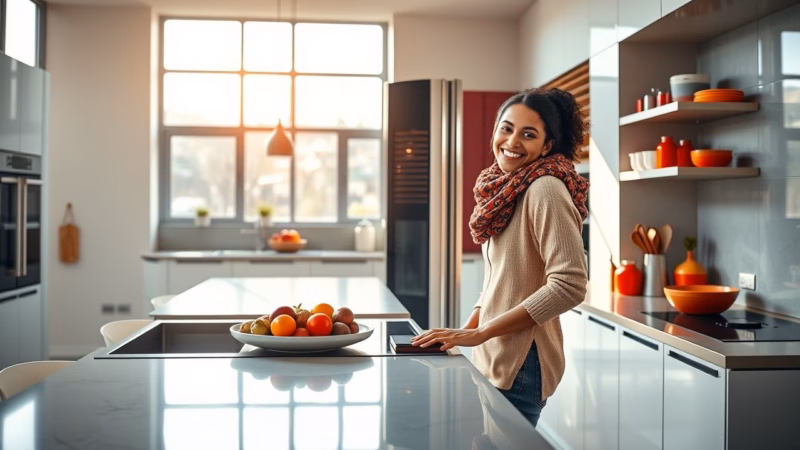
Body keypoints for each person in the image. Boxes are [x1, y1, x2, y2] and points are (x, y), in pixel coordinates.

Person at [411, 87, 589, 427]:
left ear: (547, 146)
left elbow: (570, 285)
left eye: (529, 134)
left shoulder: (545, 189)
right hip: (495, 354)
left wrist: (482, 333)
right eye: (506, 128)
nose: (512, 141)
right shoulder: (507, 189)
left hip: (520, 362)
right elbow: (503, 279)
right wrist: (464, 332)